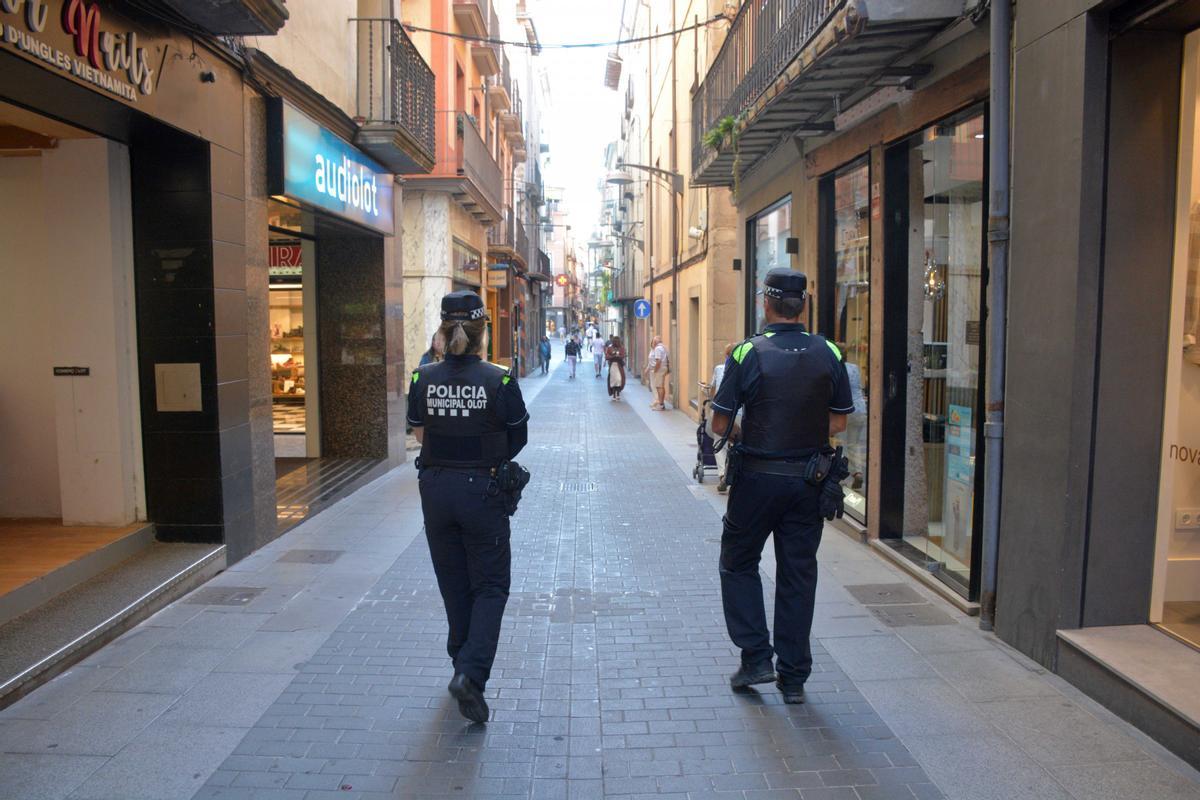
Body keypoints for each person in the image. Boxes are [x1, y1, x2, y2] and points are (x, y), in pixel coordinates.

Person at [710, 269, 853, 705]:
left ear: (766, 304)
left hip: (756, 479)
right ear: (803, 306)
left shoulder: (746, 354)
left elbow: (719, 422)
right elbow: (839, 420)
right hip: (809, 481)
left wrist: (745, 431)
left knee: (738, 563)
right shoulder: (829, 351)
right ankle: (793, 678)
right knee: (797, 574)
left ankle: (756, 656)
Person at [407, 290, 530, 723]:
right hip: (483, 491)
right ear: (483, 332)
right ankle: (470, 675)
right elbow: (518, 439)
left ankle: (461, 662)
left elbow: (419, 435)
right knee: (491, 586)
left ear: (442, 330)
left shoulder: (422, 378)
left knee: (454, 584)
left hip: (435, 490)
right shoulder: (500, 381)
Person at [710, 343, 735, 493]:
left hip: (721, 412)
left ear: (726, 356)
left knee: (719, 443)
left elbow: (712, 389)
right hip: (739, 413)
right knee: (737, 444)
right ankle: (733, 475)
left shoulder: (719, 369)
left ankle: (722, 475)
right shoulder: (745, 369)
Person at [647, 335, 670, 409]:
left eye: (653, 341)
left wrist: (655, 370)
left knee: (659, 387)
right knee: (660, 386)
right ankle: (661, 404)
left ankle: (661, 405)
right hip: (664, 368)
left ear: (655, 342)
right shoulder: (664, 347)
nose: (652, 343)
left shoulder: (657, 349)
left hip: (660, 369)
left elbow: (658, 361)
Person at [605, 335, 627, 400]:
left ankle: (618, 394)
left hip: (619, 366)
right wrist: (613, 356)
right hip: (613, 366)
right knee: (613, 380)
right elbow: (607, 356)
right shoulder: (610, 348)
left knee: (619, 380)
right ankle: (614, 395)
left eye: (617, 341)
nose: (616, 343)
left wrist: (618, 356)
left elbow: (623, 355)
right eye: (615, 341)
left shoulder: (621, 348)